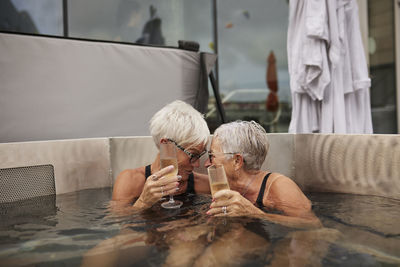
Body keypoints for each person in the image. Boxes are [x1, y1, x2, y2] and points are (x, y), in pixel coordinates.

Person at [205, 120, 321, 228]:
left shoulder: (279, 186)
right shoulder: (223, 184)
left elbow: (312, 224)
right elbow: (192, 181)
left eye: (212, 156)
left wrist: (255, 213)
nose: (206, 163)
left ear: (237, 161)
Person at [112, 100, 211, 209]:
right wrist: (143, 202)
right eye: (193, 155)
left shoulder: (205, 184)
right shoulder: (130, 181)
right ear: (166, 145)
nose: (197, 164)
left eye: (199, 155)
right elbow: (119, 222)